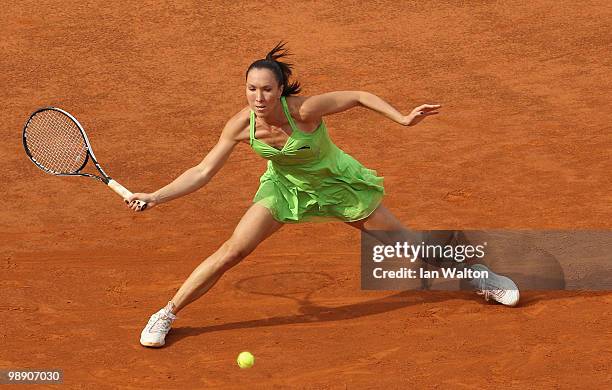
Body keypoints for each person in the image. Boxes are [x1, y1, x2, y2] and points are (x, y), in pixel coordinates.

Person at [128, 42, 519, 348]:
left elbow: (360, 96)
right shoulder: (239, 126)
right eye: (251, 89)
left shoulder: (305, 111)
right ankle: (167, 313)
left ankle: (479, 276)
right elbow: (202, 171)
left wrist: (401, 118)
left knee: (407, 247)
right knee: (233, 250)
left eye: (266, 89)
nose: (258, 98)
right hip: (285, 189)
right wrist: (157, 195)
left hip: (337, 186)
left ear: (281, 90)